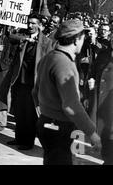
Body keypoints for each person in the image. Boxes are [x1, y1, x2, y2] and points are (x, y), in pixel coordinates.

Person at [33, 19, 102, 165]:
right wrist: (92, 133)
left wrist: (44, 114)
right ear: (77, 40)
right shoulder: (64, 64)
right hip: (59, 128)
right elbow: (71, 106)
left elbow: (35, 92)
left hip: (46, 123)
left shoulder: (49, 57)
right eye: (83, 38)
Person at [0, 14, 53, 150]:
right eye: (28, 23)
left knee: (30, 114)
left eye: (33, 23)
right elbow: (10, 36)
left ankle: (28, 142)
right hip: (19, 80)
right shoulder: (23, 38)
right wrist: (26, 39)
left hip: (33, 83)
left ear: (39, 25)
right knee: (19, 112)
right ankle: (19, 138)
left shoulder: (46, 42)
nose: (30, 26)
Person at [87, 33, 113, 165]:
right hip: (100, 101)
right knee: (104, 137)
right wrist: (92, 78)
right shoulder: (104, 53)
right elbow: (93, 69)